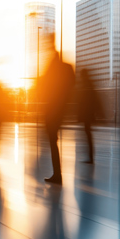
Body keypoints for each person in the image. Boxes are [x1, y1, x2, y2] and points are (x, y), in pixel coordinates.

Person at [40, 38, 75, 184]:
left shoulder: (53, 67)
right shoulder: (66, 67)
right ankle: (57, 173)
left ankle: (58, 174)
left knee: (52, 141)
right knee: (53, 141)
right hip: (59, 109)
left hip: (54, 109)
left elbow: (44, 86)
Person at [77, 69, 100, 164]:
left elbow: (84, 102)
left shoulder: (86, 85)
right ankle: (90, 157)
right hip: (88, 115)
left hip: (87, 115)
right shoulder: (88, 84)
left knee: (88, 135)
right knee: (88, 135)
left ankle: (90, 157)